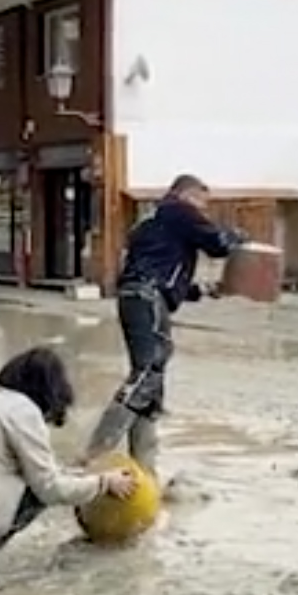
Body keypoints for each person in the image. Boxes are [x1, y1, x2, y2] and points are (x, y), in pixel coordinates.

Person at [83, 174, 240, 478]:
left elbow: (162, 271)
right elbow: (218, 244)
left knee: (151, 383)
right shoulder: (178, 210)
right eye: (201, 203)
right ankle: (96, 452)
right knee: (148, 372)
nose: (202, 211)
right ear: (187, 194)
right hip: (148, 297)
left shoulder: (149, 221)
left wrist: (203, 290)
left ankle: (145, 471)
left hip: (135, 296)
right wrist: (238, 237)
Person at [0, 347, 138, 556]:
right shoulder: (23, 410)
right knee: (41, 490)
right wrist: (103, 483)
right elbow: (50, 488)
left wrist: (84, 477)